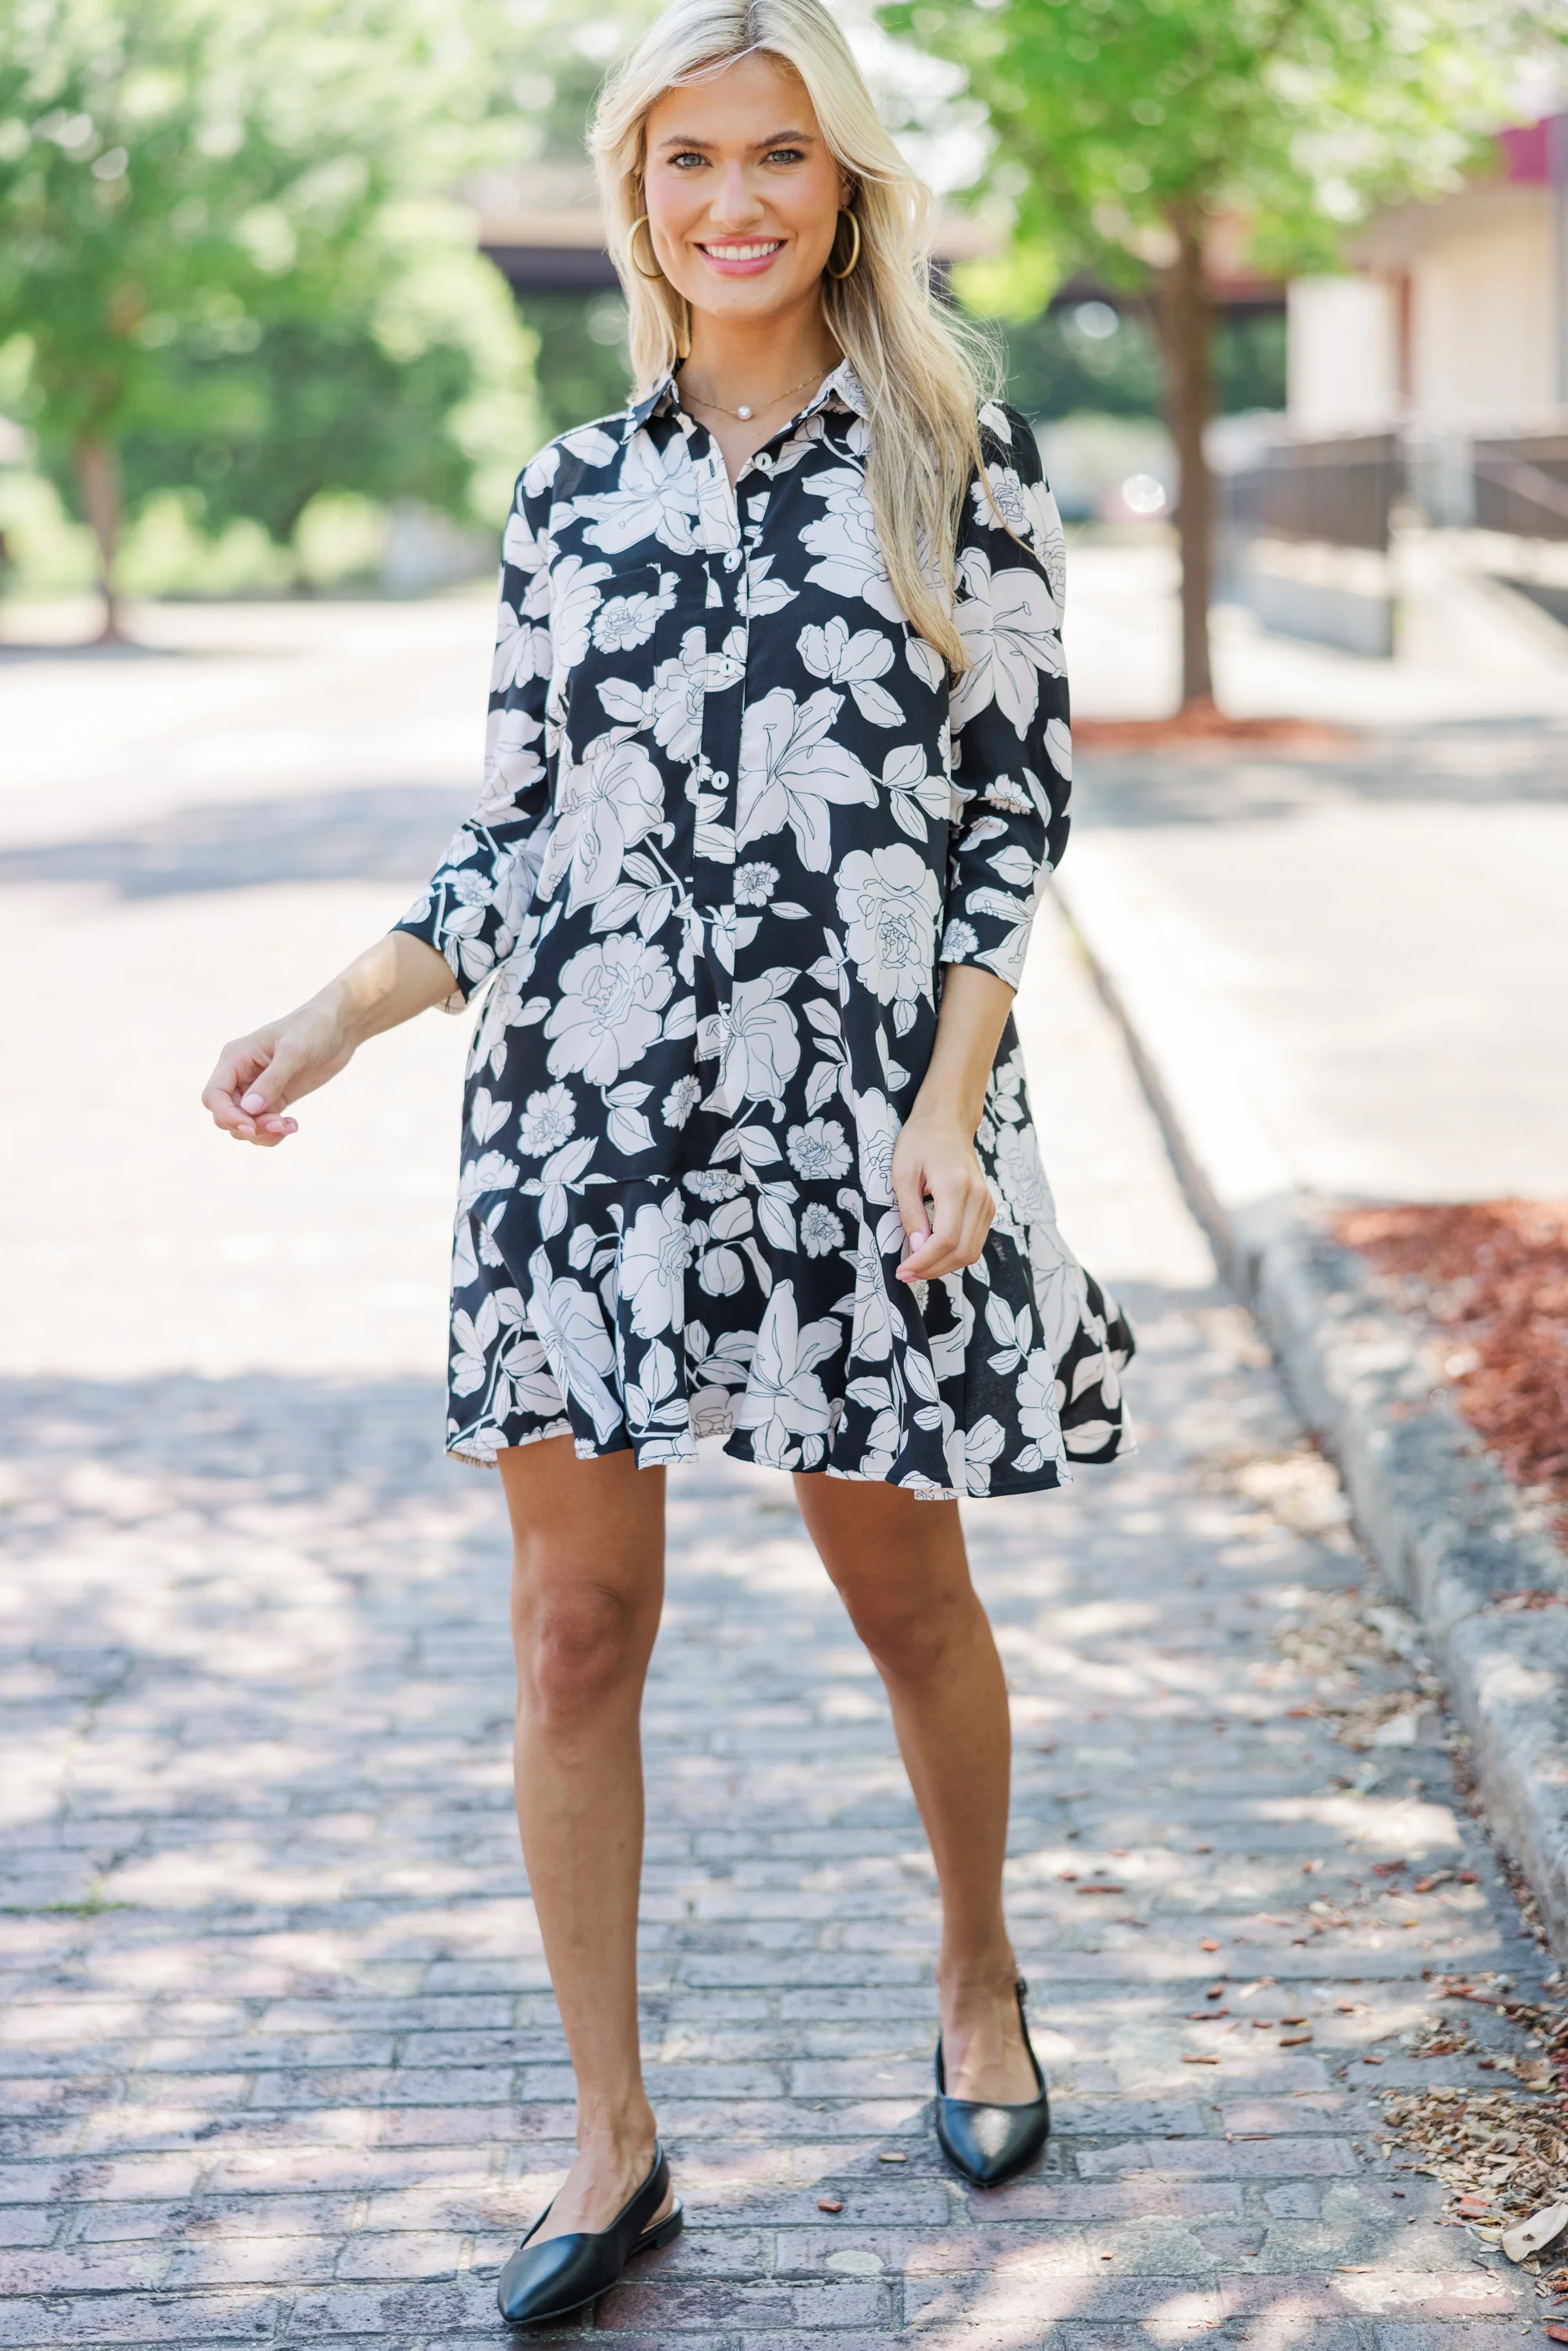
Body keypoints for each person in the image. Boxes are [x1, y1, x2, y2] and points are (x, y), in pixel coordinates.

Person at [201, 0, 1134, 2324]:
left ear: (845, 187)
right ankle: (613, 2143)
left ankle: (983, 1972)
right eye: (691, 157)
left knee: (901, 1596)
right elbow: (521, 834)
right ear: (639, 188)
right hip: (585, 1128)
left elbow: (1010, 823)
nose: (735, 199)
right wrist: (335, 1007)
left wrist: (949, 1104)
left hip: (858, 1120)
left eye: (780, 157)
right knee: (570, 1626)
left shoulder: (953, 447)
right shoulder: (568, 488)